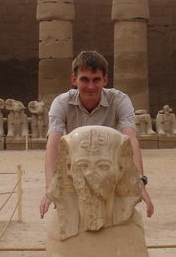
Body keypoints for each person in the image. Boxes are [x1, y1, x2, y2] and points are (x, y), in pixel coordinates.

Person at [39, 50, 154, 219]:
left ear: (105, 80)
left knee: (116, 221)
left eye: (96, 80)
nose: (91, 86)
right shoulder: (61, 102)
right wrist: (51, 187)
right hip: (76, 168)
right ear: (74, 80)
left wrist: (139, 181)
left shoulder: (120, 100)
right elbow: (53, 143)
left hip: (109, 169)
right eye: (84, 79)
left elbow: (130, 141)